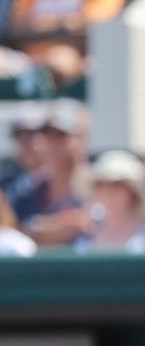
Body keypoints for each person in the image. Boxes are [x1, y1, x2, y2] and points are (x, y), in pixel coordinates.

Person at [9, 0, 124, 86]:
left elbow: (93, 24)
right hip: (27, 58)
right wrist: (64, 22)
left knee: (61, 60)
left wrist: (43, 24)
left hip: (78, 57)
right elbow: (18, 26)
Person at [14, 98, 89, 247]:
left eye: (61, 135)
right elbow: (13, 232)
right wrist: (53, 228)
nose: (52, 142)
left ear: (82, 138)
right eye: (47, 134)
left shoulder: (101, 186)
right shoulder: (26, 191)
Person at [75, 150, 145, 253]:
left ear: (133, 193)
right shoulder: (83, 243)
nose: (109, 192)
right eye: (102, 185)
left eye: (117, 185)